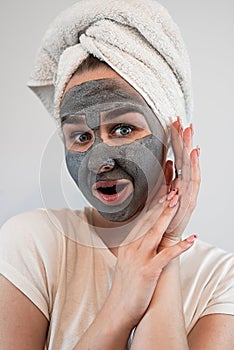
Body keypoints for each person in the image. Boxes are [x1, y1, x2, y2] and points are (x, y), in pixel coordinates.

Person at [0, 0, 233, 349]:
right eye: (81, 136)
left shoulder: (219, 278)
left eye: (123, 129)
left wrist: (165, 251)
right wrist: (121, 307)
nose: (99, 161)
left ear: (170, 135)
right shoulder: (32, 242)